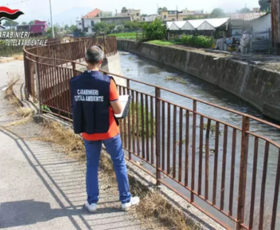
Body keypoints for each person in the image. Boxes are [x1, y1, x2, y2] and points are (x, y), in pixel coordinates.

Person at [70, 45, 139, 212]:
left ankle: (92, 203)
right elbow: (117, 110)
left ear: (85, 60)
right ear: (101, 61)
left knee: (92, 165)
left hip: (88, 131)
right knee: (119, 163)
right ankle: (125, 200)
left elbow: (77, 105)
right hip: (109, 131)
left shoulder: (74, 82)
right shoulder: (107, 82)